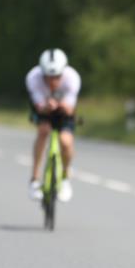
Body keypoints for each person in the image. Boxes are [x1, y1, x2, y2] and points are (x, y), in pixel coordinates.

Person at [25, 48, 81, 202]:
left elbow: (70, 108)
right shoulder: (33, 78)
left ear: (63, 72)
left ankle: (65, 177)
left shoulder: (72, 78)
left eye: (57, 76)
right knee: (43, 131)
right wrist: (46, 106)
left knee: (65, 141)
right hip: (43, 109)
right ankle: (35, 179)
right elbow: (38, 106)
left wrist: (61, 105)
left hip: (64, 110)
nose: (52, 81)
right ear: (41, 73)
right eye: (48, 77)